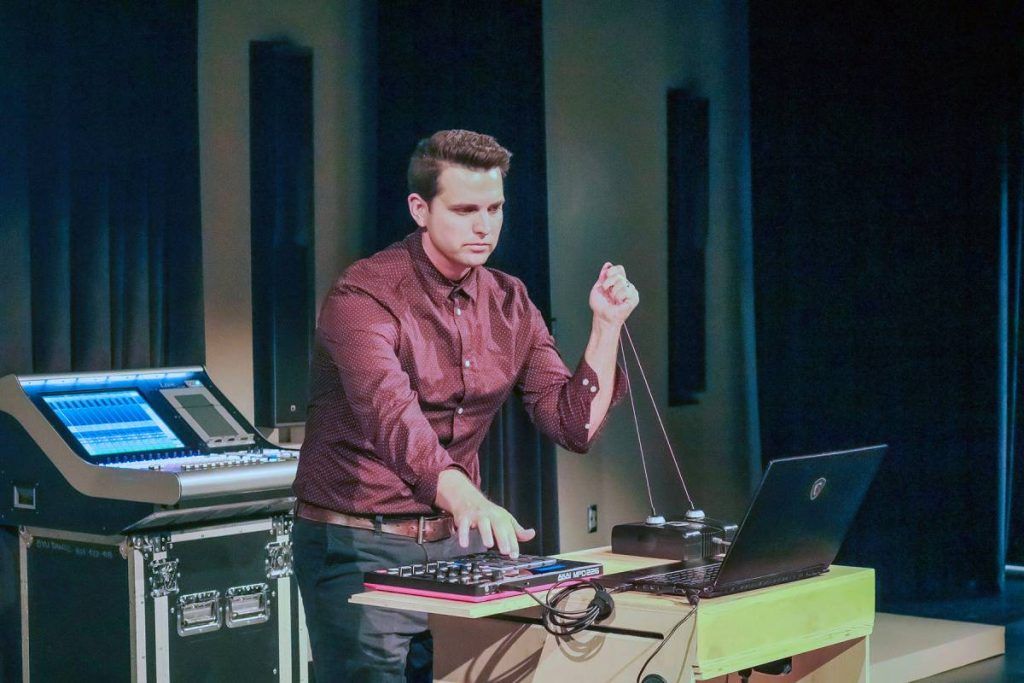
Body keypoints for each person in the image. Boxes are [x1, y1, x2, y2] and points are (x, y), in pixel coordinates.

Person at [291, 129, 639, 682]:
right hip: (359, 545)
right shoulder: (363, 296)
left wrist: (605, 327)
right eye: (465, 209)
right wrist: (468, 500)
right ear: (420, 209)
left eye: (495, 208)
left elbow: (572, 424)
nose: (484, 226)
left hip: (455, 546)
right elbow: (392, 419)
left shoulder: (509, 299)